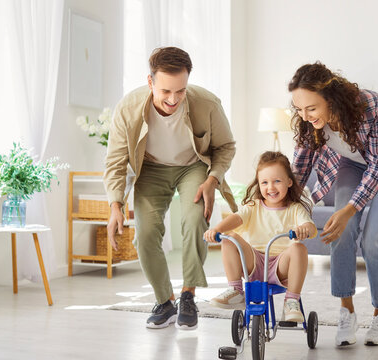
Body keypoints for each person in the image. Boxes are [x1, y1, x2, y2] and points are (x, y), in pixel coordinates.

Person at [104, 47, 237, 330]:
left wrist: (213, 179)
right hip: (151, 167)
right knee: (147, 232)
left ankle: (188, 295)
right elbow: (116, 160)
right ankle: (165, 301)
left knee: (193, 220)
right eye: (165, 91)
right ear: (150, 82)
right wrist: (115, 204)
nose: (173, 99)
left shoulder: (207, 103)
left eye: (180, 91)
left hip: (193, 165)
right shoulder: (128, 109)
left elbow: (226, 146)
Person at [289, 62, 378, 346]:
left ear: (330, 98)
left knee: (373, 242)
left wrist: (349, 209)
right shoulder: (308, 122)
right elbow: (299, 169)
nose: (305, 116)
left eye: (311, 108)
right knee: (340, 233)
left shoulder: (372, 106)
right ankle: (347, 312)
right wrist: (278, 201)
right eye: (299, 109)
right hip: (350, 163)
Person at [204, 151, 317, 322]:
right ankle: (236, 291)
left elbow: (311, 227)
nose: (270, 188)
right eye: (264, 182)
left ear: (289, 182)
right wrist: (217, 229)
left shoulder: (295, 209)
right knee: (230, 238)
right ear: (259, 184)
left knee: (298, 248)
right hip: (254, 263)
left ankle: (291, 300)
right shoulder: (253, 206)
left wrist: (304, 229)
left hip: (280, 266)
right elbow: (236, 218)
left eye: (277, 181)